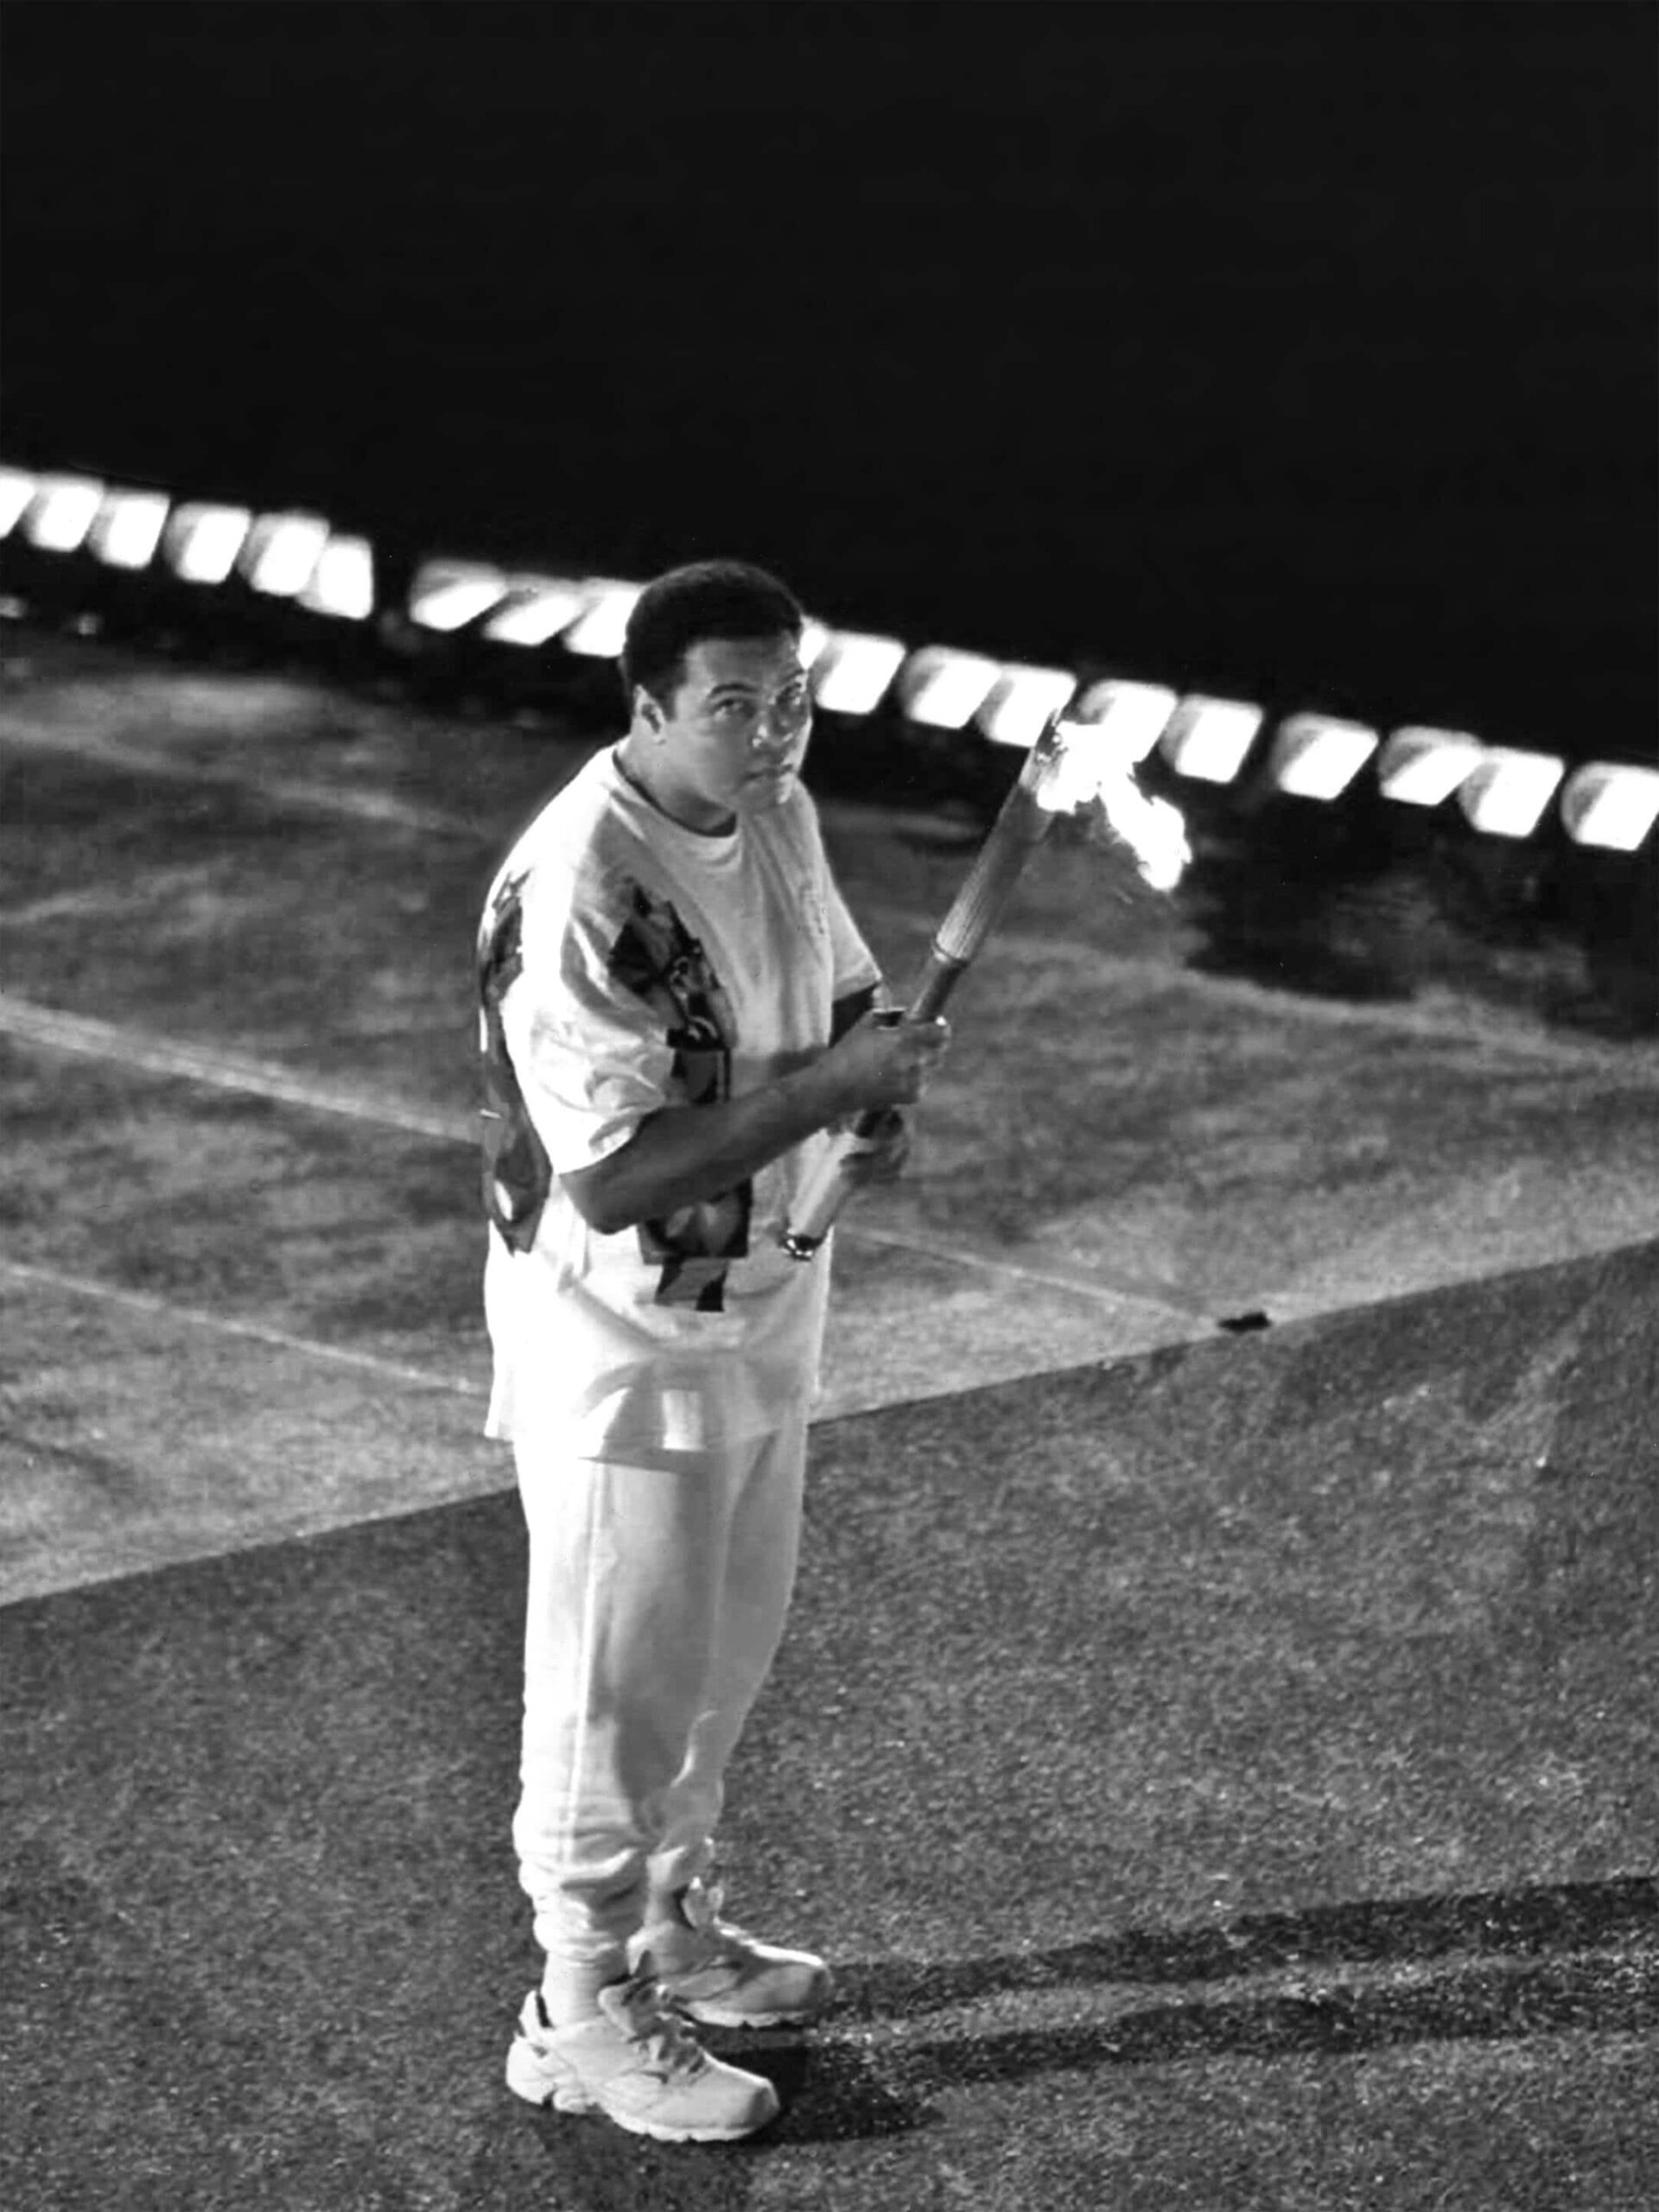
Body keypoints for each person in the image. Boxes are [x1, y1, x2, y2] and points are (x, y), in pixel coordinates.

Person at [475, 559, 950, 2142]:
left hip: (761, 1303)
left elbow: (837, 995)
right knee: (611, 1687)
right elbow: (611, 1176)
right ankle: (575, 2007)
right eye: (735, 704)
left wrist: (863, 1092)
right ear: (649, 707)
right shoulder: (584, 892)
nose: (773, 731)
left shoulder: (778, 811)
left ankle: (668, 1927)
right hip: (625, 1349)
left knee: (716, 1668)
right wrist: (828, 1096)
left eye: (791, 696)